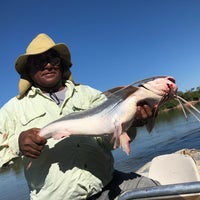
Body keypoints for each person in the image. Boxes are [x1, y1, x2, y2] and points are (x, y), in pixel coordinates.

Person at [0, 33, 159, 200]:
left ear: (61, 64)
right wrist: (17, 143)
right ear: (28, 70)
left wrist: (130, 122)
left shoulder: (90, 94)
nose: (47, 65)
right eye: (38, 61)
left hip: (108, 184)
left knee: (161, 192)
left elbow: (109, 143)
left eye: (53, 59)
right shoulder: (14, 108)